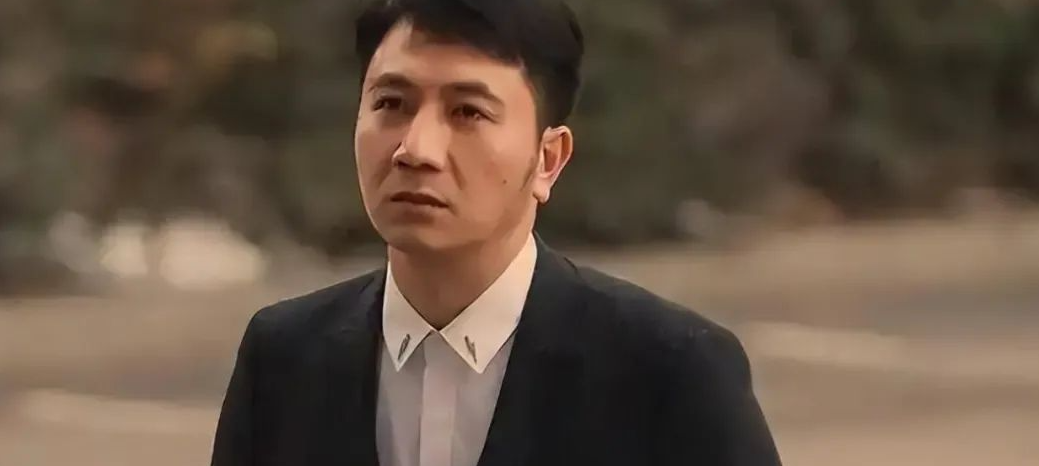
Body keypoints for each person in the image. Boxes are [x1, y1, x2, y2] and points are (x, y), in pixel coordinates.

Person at [211, 0, 782, 465]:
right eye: (391, 103)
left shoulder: (670, 373)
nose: (416, 149)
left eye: (468, 112)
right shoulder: (283, 359)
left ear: (548, 159)